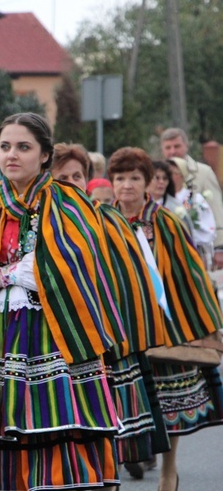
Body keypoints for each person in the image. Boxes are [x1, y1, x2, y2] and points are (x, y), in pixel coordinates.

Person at [0, 113, 122, 490]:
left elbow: (79, 266)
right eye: (5, 147)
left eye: (23, 147)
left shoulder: (70, 203)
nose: (11, 155)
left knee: (53, 422)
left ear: (45, 155)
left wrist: (4, 275)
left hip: (52, 332)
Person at [50, 143, 169, 480]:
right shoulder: (40, 221)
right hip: (57, 343)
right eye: (63, 177)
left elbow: (130, 282)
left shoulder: (108, 219)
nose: (72, 183)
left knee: (103, 436)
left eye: (78, 176)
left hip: (106, 342)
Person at [108, 146, 223, 491]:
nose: (126, 185)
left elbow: (190, 273)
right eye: (119, 178)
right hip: (118, 326)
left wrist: (206, 322)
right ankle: (111, 473)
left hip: (162, 326)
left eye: (134, 178)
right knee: (115, 405)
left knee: (167, 403)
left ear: (148, 183)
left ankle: (168, 471)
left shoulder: (165, 222)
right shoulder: (100, 220)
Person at [161, 127, 223, 268]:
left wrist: (220, 246)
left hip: (197, 244)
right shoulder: (157, 174)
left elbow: (216, 208)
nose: (172, 151)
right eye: (168, 147)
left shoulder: (202, 172)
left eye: (177, 146)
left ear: (186, 146)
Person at [168, 157, 216, 267]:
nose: (169, 177)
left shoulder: (191, 198)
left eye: (173, 173)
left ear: (182, 175)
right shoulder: (163, 199)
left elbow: (207, 227)